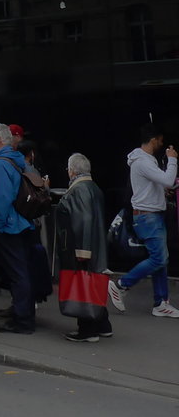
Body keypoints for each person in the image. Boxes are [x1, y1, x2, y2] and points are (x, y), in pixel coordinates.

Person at [108, 124, 179, 317]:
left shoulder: (145, 160)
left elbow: (155, 185)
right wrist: (172, 160)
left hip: (150, 215)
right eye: (161, 140)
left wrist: (161, 190)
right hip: (148, 216)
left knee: (160, 261)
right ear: (154, 139)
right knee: (159, 258)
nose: (162, 144)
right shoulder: (143, 161)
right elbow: (168, 180)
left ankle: (161, 303)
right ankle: (122, 284)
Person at [0, 122, 36, 333]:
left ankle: (23, 320)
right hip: (20, 223)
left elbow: (2, 198)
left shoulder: (0, 164)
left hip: (9, 226)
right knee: (22, 272)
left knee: (17, 274)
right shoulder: (12, 159)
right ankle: (24, 315)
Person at [55, 152, 113, 342]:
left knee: (81, 284)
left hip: (79, 248)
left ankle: (87, 330)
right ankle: (103, 325)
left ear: (72, 171)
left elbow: (83, 220)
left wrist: (82, 250)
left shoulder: (78, 190)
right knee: (92, 284)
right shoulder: (93, 188)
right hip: (95, 246)